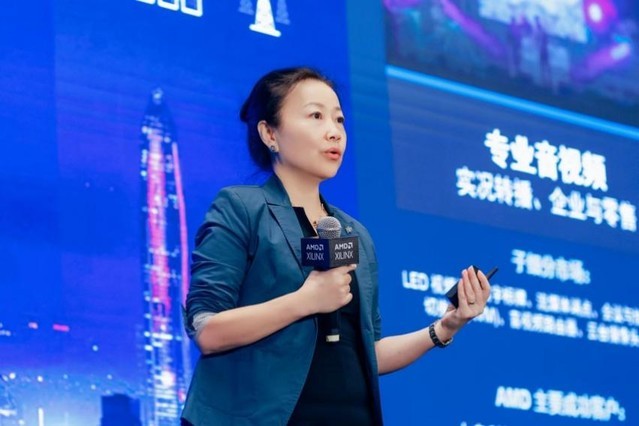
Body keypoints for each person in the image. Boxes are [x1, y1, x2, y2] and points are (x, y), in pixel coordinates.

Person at [180, 67, 492, 426]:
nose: (334, 131)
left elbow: (369, 353)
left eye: (339, 119)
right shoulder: (242, 208)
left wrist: (446, 327)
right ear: (270, 133)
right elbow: (208, 330)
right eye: (316, 116)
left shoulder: (353, 233)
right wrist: (305, 301)